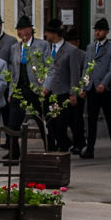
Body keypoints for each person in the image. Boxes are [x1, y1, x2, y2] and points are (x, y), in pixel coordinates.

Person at [44, 21, 87, 155]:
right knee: (50, 122)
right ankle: (64, 143)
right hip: (48, 91)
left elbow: (75, 73)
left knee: (61, 123)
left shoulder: (71, 50)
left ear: (55, 34)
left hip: (63, 91)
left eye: (47, 32)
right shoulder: (46, 48)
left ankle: (62, 150)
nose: (45, 34)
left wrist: (73, 93)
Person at [83, 18, 111, 159]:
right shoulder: (90, 47)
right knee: (91, 119)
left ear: (106, 32)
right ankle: (90, 149)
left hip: (105, 89)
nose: (97, 33)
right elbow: (86, 68)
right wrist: (84, 85)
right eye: (96, 30)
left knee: (109, 118)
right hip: (92, 87)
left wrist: (104, 83)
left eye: (100, 30)